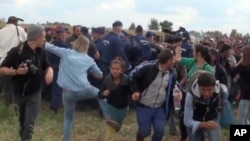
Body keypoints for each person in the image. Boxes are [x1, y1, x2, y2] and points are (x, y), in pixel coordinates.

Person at [44, 35, 108, 141]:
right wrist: (92, 71)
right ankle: (108, 117)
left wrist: (41, 40)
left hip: (67, 92)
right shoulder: (89, 59)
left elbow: (49, 47)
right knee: (101, 95)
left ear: (76, 43)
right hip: (85, 89)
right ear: (87, 47)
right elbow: (100, 75)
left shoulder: (65, 52)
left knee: (68, 118)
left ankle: (66, 139)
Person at [0, 24, 53, 141]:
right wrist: (16, 72)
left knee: (30, 124)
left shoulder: (41, 52)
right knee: (22, 122)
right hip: (18, 92)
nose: (44, 39)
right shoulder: (17, 51)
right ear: (36, 37)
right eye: (43, 37)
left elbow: (48, 65)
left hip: (35, 92)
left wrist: (50, 72)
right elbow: (2, 68)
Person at [131, 48, 177, 141]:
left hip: (159, 107)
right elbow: (133, 77)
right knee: (144, 131)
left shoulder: (172, 73)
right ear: (168, 61)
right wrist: (135, 91)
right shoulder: (148, 68)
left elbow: (174, 86)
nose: (174, 61)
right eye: (173, 59)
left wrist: (177, 92)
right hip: (144, 105)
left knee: (160, 131)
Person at [184, 73, 223, 141]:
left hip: (212, 118)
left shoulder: (220, 91)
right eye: (203, 89)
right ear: (198, 87)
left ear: (214, 87)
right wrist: (203, 124)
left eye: (210, 89)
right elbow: (187, 121)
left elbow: (222, 105)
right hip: (194, 120)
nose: (206, 93)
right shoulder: (190, 96)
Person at [98, 58, 130, 141]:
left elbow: (132, 91)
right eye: (113, 69)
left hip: (123, 107)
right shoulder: (107, 80)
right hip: (111, 106)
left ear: (122, 70)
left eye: (117, 69)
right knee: (111, 126)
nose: (115, 71)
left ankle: (117, 126)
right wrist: (103, 93)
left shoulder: (126, 80)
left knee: (117, 126)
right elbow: (100, 94)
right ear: (110, 69)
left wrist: (134, 95)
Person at [0, 16, 27, 106]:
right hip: (13, 61)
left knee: (4, 86)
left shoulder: (1, 31)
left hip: (1, 61)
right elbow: (26, 40)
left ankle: (4, 105)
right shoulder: (19, 29)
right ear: (15, 22)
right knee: (13, 87)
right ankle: (10, 106)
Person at [231, 46, 250, 125]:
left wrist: (239, 63)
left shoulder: (242, 66)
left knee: (241, 119)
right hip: (246, 92)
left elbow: (232, 72)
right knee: (247, 118)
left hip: (245, 94)